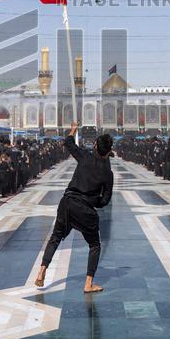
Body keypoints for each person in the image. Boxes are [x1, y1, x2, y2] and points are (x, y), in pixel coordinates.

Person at [35, 122, 114, 294]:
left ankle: (42, 270)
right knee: (94, 245)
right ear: (109, 151)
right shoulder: (108, 173)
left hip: (67, 202)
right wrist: (93, 201)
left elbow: (69, 142)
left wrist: (74, 128)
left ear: (95, 145)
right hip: (85, 209)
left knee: (55, 237)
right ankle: (88, 283)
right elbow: (105, 199)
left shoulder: (85, 156)